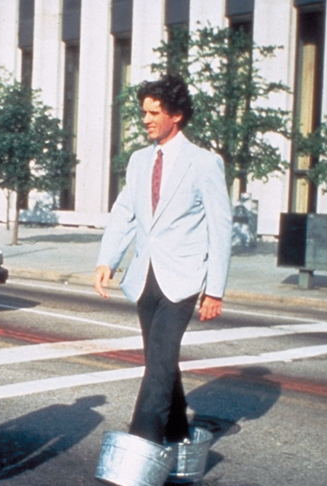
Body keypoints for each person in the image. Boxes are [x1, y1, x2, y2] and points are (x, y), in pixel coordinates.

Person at [93, 74, 232, 446]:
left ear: (177, 115)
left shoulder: (203, 162)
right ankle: (178, 433)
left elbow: (221, 228)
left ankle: (140, 448)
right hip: (144, 278)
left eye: (155, 112)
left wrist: (214, 290)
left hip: (183, 278)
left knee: (157, 366)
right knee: (160, 361)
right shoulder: (139, 161)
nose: (146, 119)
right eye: (144, 112)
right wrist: (107, 259)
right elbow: (125, 212)